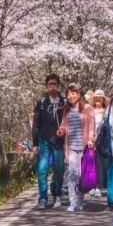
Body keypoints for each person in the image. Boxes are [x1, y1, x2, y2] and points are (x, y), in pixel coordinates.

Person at [58, 82, 96, 212]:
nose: (70, 96)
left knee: (81, 175)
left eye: (73, 93)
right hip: (71, 147)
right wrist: (61, 130)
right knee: (72, 174)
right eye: (68, 94)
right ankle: (72, 201)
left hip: (84, 147)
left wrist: (91, 139)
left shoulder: (88, 108)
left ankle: (80, 199)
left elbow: (91, 125)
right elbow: (63, 124)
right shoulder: (67, 110)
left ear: (78, 94)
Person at [31, 73, 66, 208]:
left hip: (59, 142)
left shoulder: (64, 102)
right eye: (50, 84)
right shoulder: (41, 103)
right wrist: (34, 143)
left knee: (59, 169)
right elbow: (36, 123)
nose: (52, 87)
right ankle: (43, 198)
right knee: (42, 169)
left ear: (58, 86)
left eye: (55, 84)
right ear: (46, 86)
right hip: (44, 140)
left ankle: (57, 194)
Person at [91, 89, 109, 198]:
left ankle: (100, 186)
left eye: (100, 97)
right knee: (93, 164)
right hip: (92, 140)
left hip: (103, 141)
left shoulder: (107, 111)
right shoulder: (90, 110)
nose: (98, 99)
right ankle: (93, 186)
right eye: (96, 97)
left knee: (102, 164)